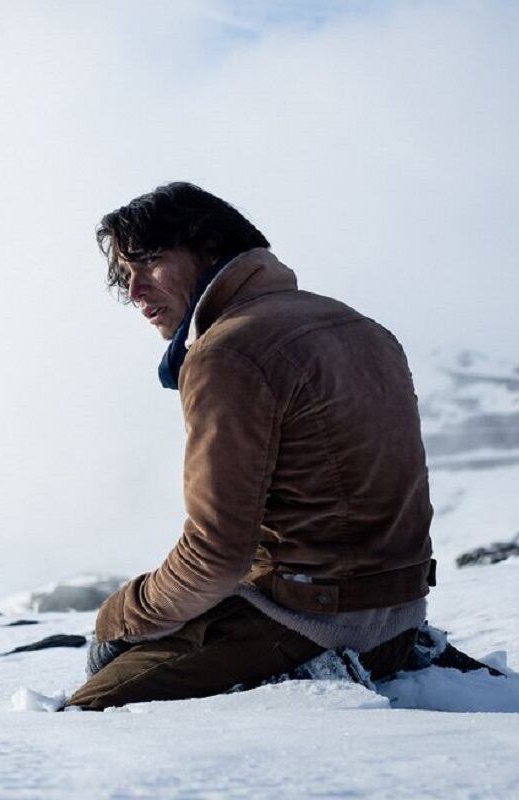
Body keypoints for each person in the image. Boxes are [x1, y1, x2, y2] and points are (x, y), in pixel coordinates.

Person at [67, 182, 435, 711]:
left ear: (210, 246)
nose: (135, 291)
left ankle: (307, 681)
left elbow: (215, 555)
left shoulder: (228, 352)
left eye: (148, 262)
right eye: (126, 276)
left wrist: (120, 615)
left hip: (309, 621)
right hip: (399, 619)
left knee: (86, 714)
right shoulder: (360, 325)